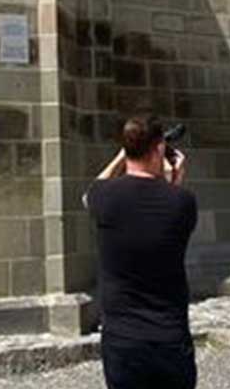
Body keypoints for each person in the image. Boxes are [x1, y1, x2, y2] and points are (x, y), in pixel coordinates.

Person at [84, 114, 198, 389]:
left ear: (126, 150)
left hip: (122, 341)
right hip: (169, 337)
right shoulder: (182, 202)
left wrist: (120, 157)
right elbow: (167, 214)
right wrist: (174, 180)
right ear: (159, 148)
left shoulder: (104, 197)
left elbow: (90, 193)